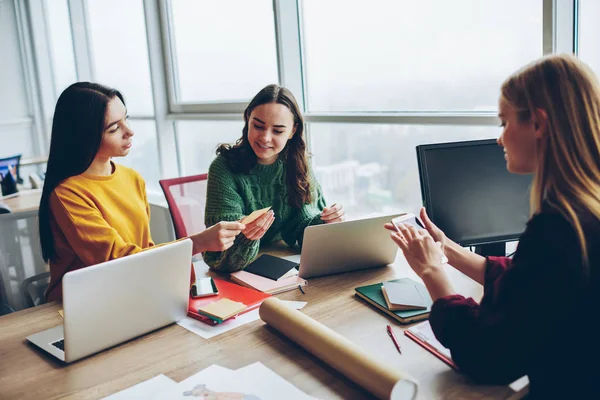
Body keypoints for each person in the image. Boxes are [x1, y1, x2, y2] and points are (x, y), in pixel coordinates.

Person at [386, 54, 600, 398]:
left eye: (504, 122)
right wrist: (450, 252)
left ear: (539, 124)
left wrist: (431, 273)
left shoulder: (557, 228)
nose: (500, 138)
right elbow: (534, 284)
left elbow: (487, 358)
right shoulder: (585, 212)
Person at [40, 82, 244, 302]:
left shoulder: (131, 178)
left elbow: (143, 249)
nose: (129, 132)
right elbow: (115, 260)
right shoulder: (67, 194)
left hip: (130, 291)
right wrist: (198, 243)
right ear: (83, 136)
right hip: (82, 303)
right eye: (114, 128)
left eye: (126, 119)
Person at [204, 84, 344, 271]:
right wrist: (247, 237)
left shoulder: (299, 163)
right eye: (258, 126)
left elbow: (303, 229)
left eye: (278, 131)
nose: (265, 138)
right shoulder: (223, 169)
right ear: (247, 119)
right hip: (234, 272)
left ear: (293, 131)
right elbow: (223, 253)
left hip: (281, 260)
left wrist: (325, 222)